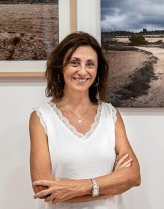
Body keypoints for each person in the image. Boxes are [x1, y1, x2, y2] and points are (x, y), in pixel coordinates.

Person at [29, 31, 141, 208]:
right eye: (74, 63)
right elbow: (44, 190)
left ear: (97, 71)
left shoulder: (111, 115)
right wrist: (113, 184)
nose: (82, 71)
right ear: (61, 66)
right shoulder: (41, 118)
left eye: (90, 64)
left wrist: (80, 187)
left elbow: (134, 176)